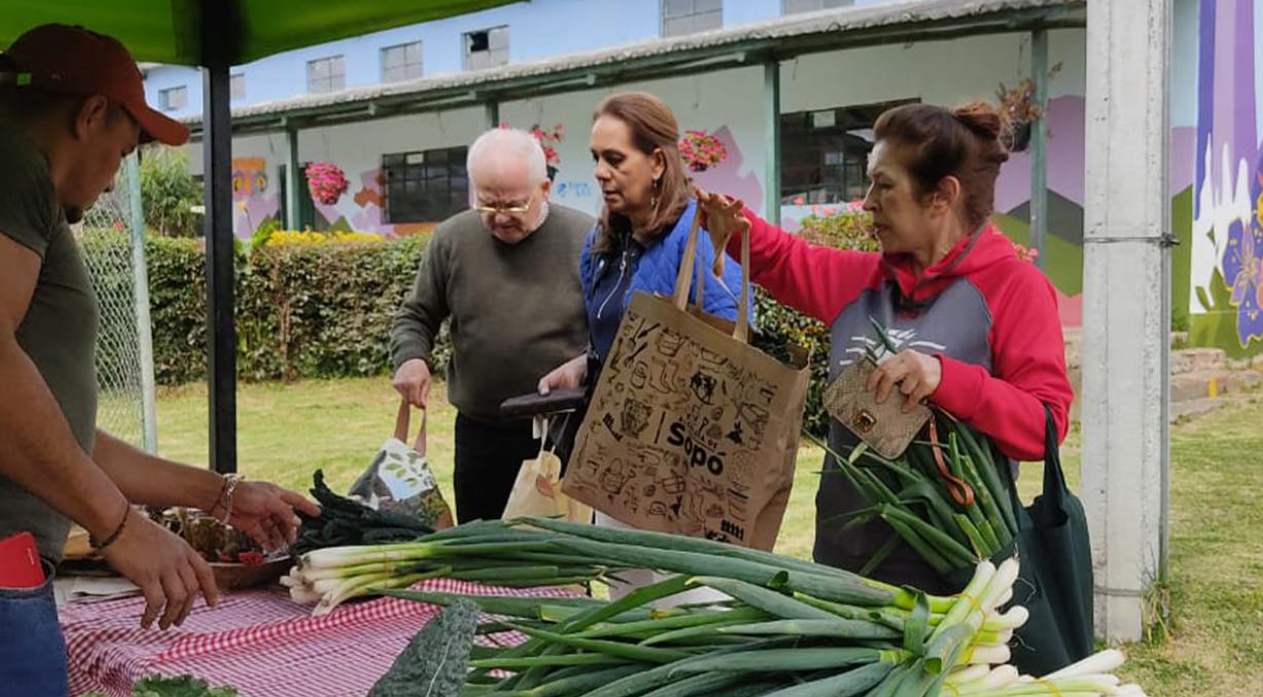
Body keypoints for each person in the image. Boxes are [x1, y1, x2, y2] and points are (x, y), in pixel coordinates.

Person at [0, 24, 321, 696]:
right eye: (123, 152)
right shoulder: (4, 161)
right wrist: (118, 525)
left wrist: (219, 494)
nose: (113, 182)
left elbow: (53, 433)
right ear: (91, 113)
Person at [698, 102, 1073, 594]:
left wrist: (948, 380)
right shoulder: (864, 282)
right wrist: (720, 217)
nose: (867, 202)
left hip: (952, 583)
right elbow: (787, 259)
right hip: (843, 571)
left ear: (941, 196)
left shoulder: (1013, 287)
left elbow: (1045, 425)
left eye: (884, 184)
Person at [538, 91, 747, 601]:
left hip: (681, 469)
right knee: (626, 605)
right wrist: (584, 366)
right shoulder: (602, 244)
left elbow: (733, 341)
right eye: (596, 160)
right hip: (618, 457)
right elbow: (616, 341)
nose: (602, 173)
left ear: (656, 162)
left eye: (615, 159)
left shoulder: (696, 235)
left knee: (687, 614)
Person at [390, 127, 593, 523]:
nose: (500, 218)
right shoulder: (452, 239)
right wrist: (411, 357)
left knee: (557, 560)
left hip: (561, 433)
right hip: (480, 432)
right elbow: (416, 315)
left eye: (515, 206)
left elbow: (614, 332)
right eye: (487, 204)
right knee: (479, 557)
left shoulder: (586, 238)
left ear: (545, 189)